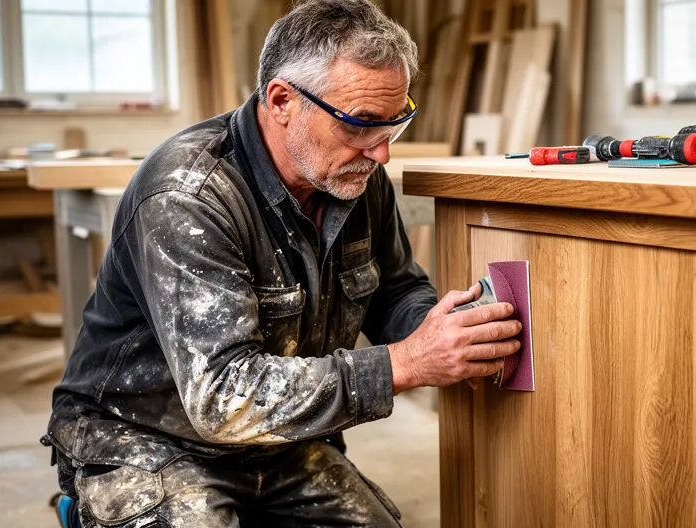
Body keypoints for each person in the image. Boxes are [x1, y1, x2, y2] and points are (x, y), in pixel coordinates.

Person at [42, 0, 522, 525]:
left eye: (395, 124)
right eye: (361, 124)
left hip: (277, 443)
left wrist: (442, 333)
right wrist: (405, 363)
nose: (381, 153)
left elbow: (395, 288)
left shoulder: (355, 175)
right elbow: (223, 397)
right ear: (282, 100)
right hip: (144, 436)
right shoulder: (188, 196)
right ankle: (89, 508)